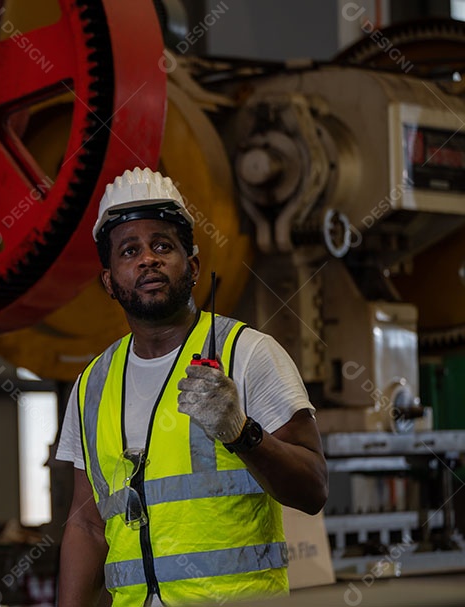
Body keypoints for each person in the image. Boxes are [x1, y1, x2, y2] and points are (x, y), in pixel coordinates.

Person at [54, 168, 328, 607]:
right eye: (129, 250)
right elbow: (86, 525)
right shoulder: (92, 385)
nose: (148, 259)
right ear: (109, 280)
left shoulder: (249, 354)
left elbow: (313, 490)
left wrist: (242, 432)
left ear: (193, 265)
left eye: (163, 245)